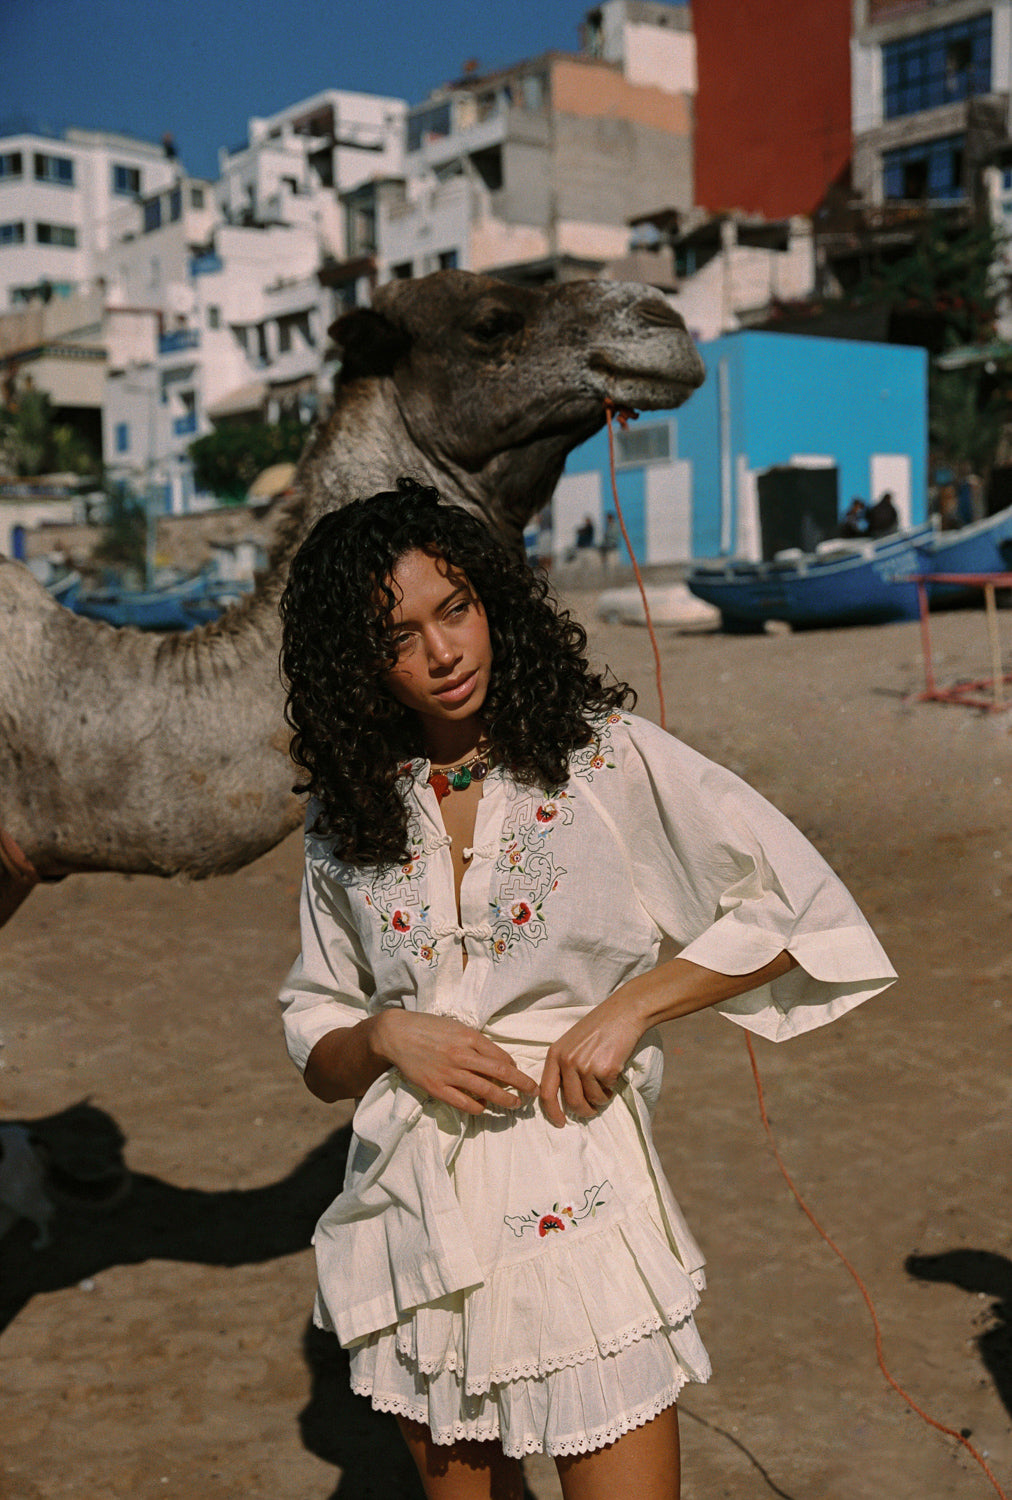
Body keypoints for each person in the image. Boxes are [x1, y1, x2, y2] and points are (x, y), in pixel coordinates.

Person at [277, 479, 895, 1500]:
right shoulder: (347, 815)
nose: (442, 652)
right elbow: (317, 1032)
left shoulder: (597, 759)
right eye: (399, 637)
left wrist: (634, 1004)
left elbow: (794, 909)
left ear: (493, 603)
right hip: (415, 1214)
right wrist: (388, 1037)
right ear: (356, 662)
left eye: (456, 608)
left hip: (575, 1193)